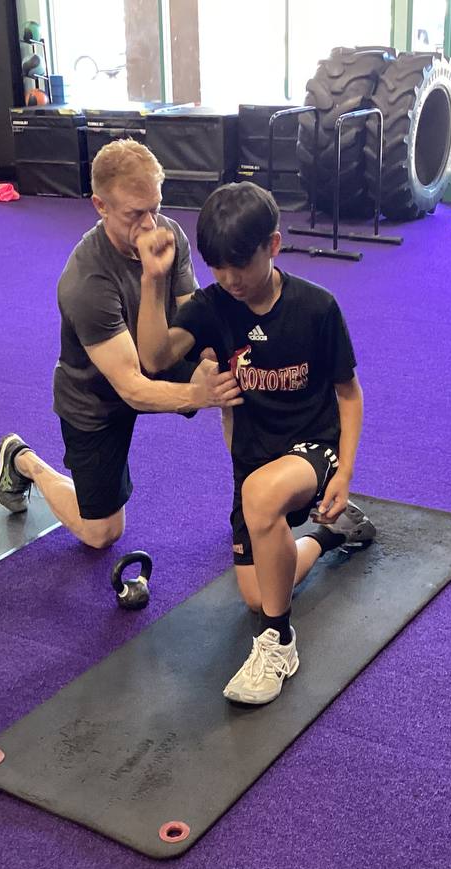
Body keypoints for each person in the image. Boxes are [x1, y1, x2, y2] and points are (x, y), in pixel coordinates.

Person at [135, 181, 375, 706]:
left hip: (314, 448)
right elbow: (153, 358)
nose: (228, 279)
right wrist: (154, 280)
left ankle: (279, 643)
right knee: (257, 593)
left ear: (274, 245)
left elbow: (349, 395)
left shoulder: (317, 308)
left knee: (261, 502)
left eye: (238, 265)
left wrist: (344, 471)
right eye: (216, 266)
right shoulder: (214, 304)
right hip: (253, 460)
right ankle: (334, 536)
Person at [0, 139, 241, 548]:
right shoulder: (85, 282)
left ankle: (251, 507)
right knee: (102, 534)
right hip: (97, 396)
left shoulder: (168, 234)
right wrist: (199, 393)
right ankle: (25, 460)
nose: (149, 224)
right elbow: (130, 387)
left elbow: (193, 321)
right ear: (100, 206)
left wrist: (216, 366)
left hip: (154, 353)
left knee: (232, 378)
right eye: (134, 214)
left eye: (155, 207)